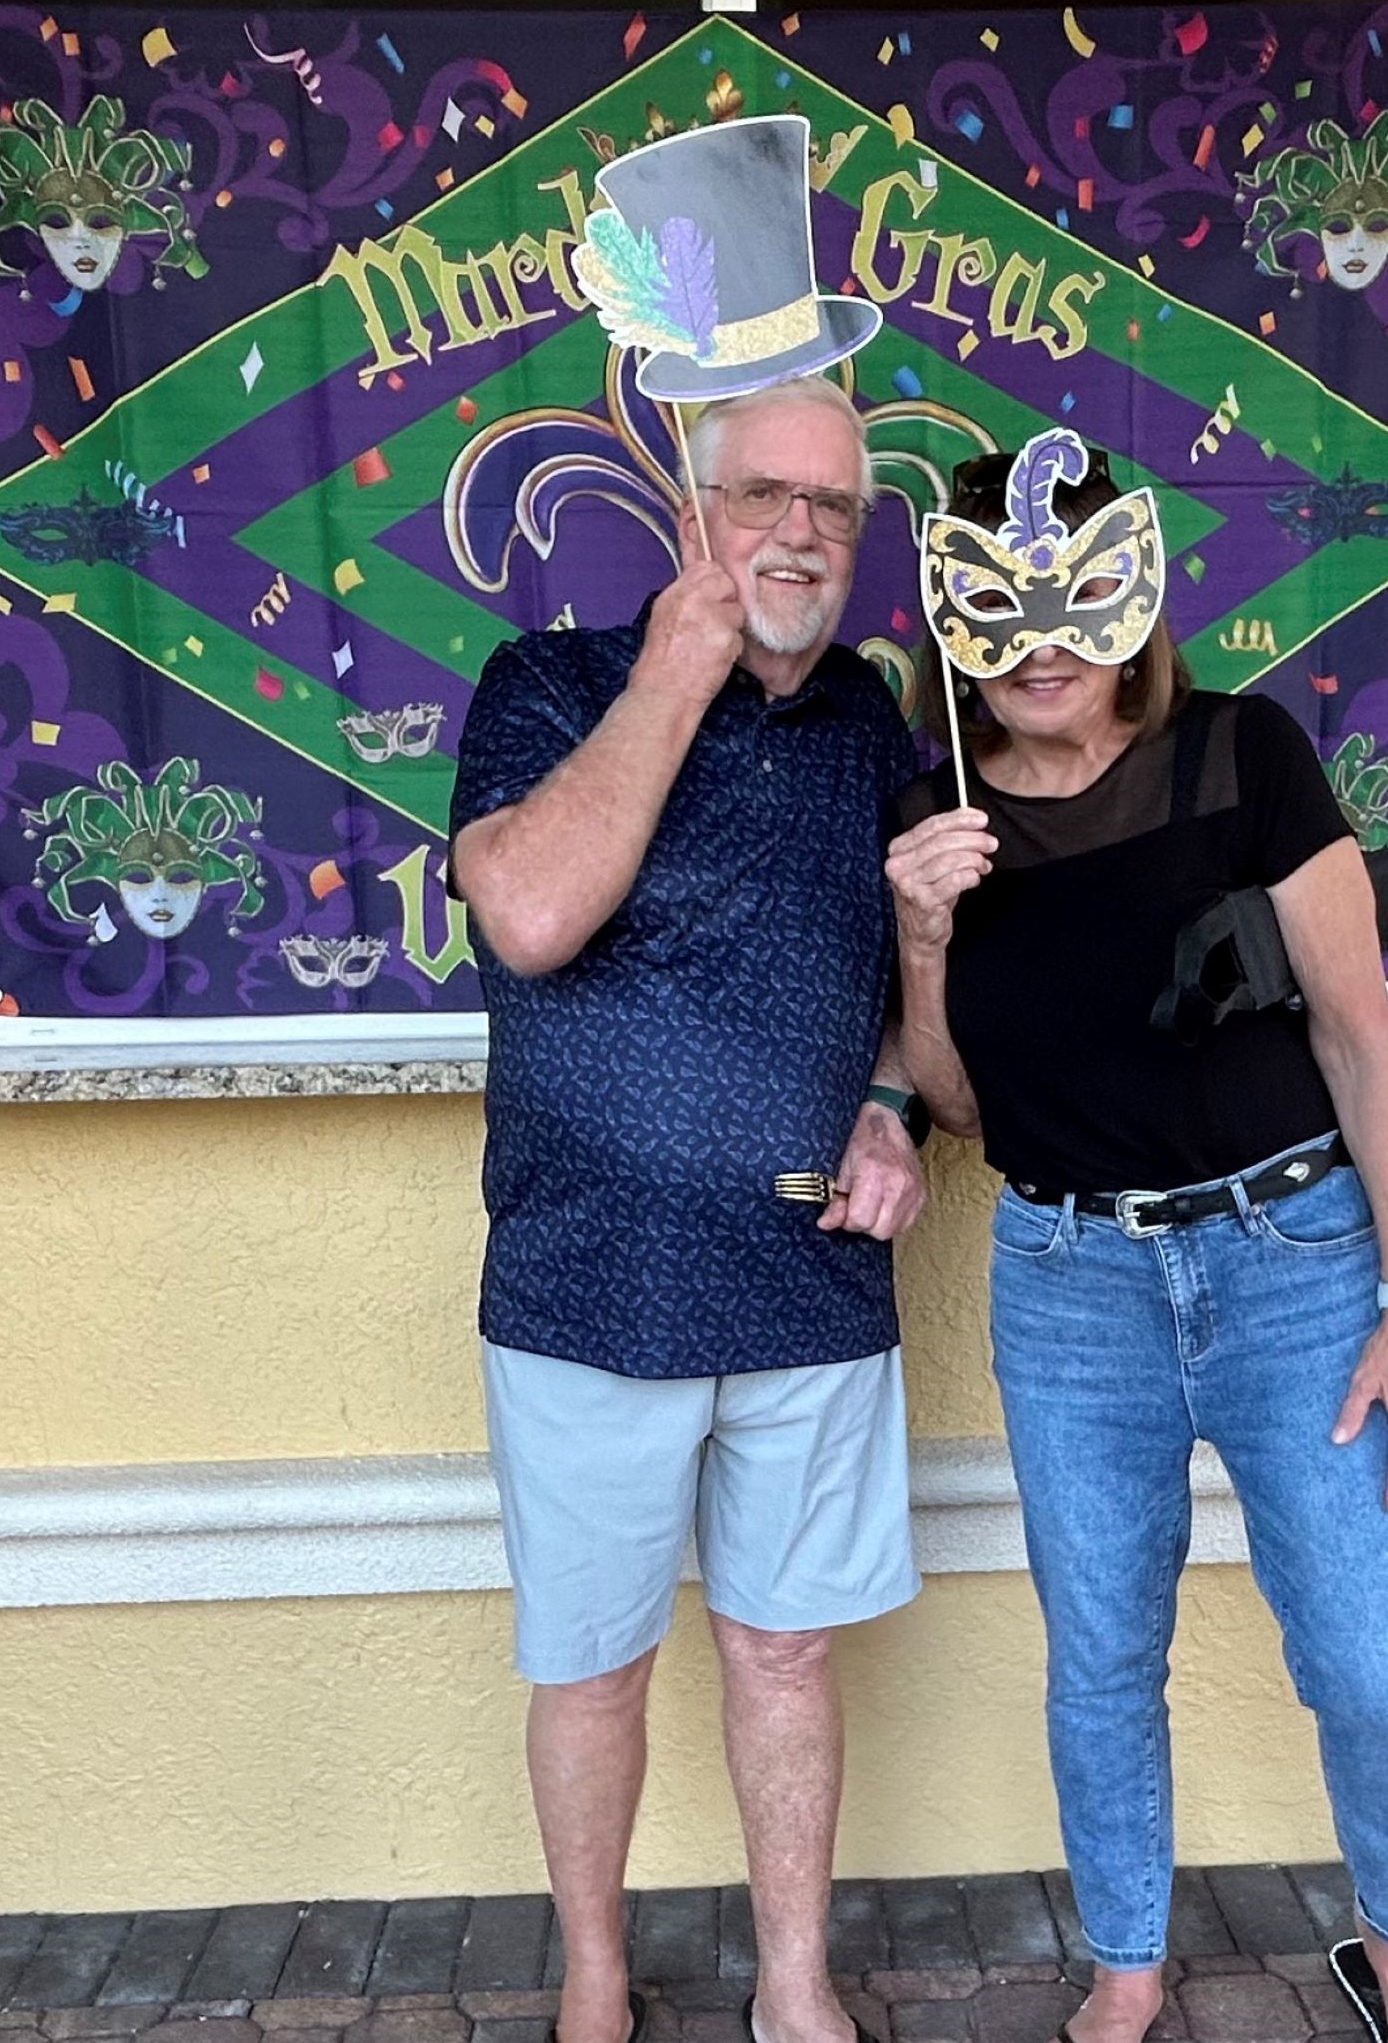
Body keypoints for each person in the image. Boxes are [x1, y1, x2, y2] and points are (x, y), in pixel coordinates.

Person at [886, 443, 1388, 2043]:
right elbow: (961, 1108)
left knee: (1373, 1655)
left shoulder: (1241, 755)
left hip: (1297, 1266)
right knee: (1101, 1653)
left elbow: (1359, 1038)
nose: (1040, 643)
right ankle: (1128, 1967)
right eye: (999, 611)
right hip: (1072, 1284)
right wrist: (923, 934)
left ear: (1134, 597)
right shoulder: (936, 815)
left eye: (1075, 595)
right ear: (951, 628)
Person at [449, 375, 927, 2043]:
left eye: (835, 505)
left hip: (811, 1280)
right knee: (593, 1663)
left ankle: (793, 1989)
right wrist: (675, 670)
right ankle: (595, 1980)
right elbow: (526, 914)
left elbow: (911, 972)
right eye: (763, 496)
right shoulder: (549, 682)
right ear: (688, 509)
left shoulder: (873, 724)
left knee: (786, 1654)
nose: (800, 531)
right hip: (588, 1280)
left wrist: (891, 1105)